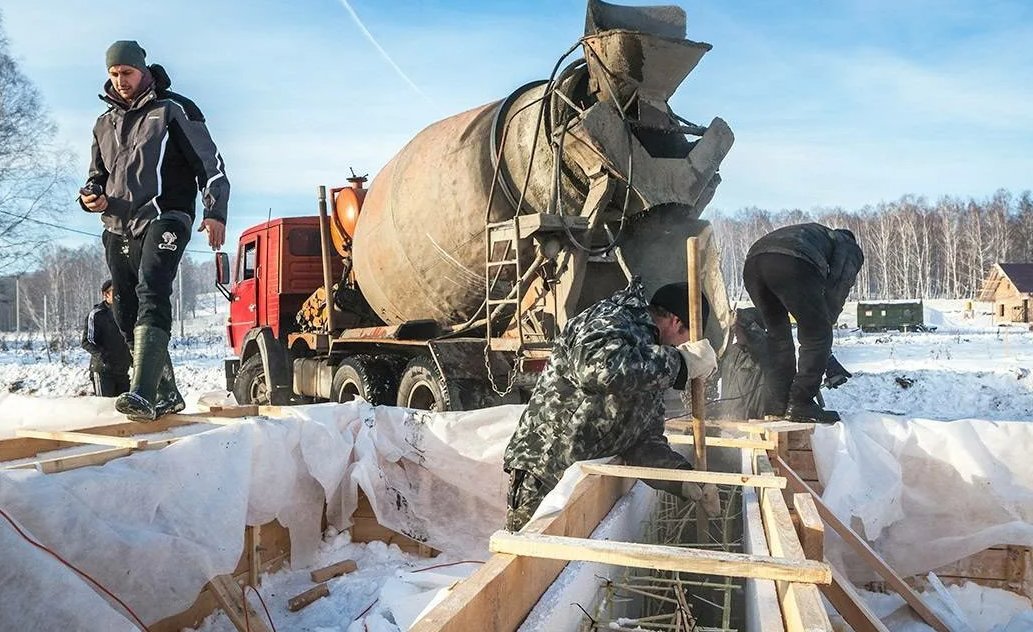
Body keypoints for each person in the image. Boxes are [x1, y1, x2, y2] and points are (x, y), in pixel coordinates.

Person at [79, 40, 229, 420]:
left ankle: (142, 392)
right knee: (124, 307)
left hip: (166, 215)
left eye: (126, 72)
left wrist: (216, 213)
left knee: (152, 287)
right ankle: (166, 393)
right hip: (117, 224)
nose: (120, 80)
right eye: (113, 74)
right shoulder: (103, 124)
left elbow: (211, 168)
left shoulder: (173, 110)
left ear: (143, 70)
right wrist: (90, 197)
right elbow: (97, 177)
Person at [503, 277, 720, 532]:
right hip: (547, 472)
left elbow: (643, 441)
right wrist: (679, 363)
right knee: (529, 564)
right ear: (676, 322)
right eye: (685, 342)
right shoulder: (615, 319)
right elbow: (596, 369)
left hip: (582, 479)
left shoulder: (651, 355)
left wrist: (682, 477)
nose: (679, 348)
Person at [742, 223, 863, 424]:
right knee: (817, 335)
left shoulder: (814, 234)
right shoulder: (847, 244)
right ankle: (801, 403)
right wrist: (825, 322)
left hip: (753, 264)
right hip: (791, 262)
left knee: (777, 336)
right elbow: (839, 283)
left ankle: (779, 403)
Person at [81, 280, 131, 397]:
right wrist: (104, 356)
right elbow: (87, 341)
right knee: (105, 408)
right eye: (115, 292)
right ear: (106, 294)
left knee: (124, 409)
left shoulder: (126, 314)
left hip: (122, 370)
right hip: (103, 371)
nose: (119, 295)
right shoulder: (97, 314)